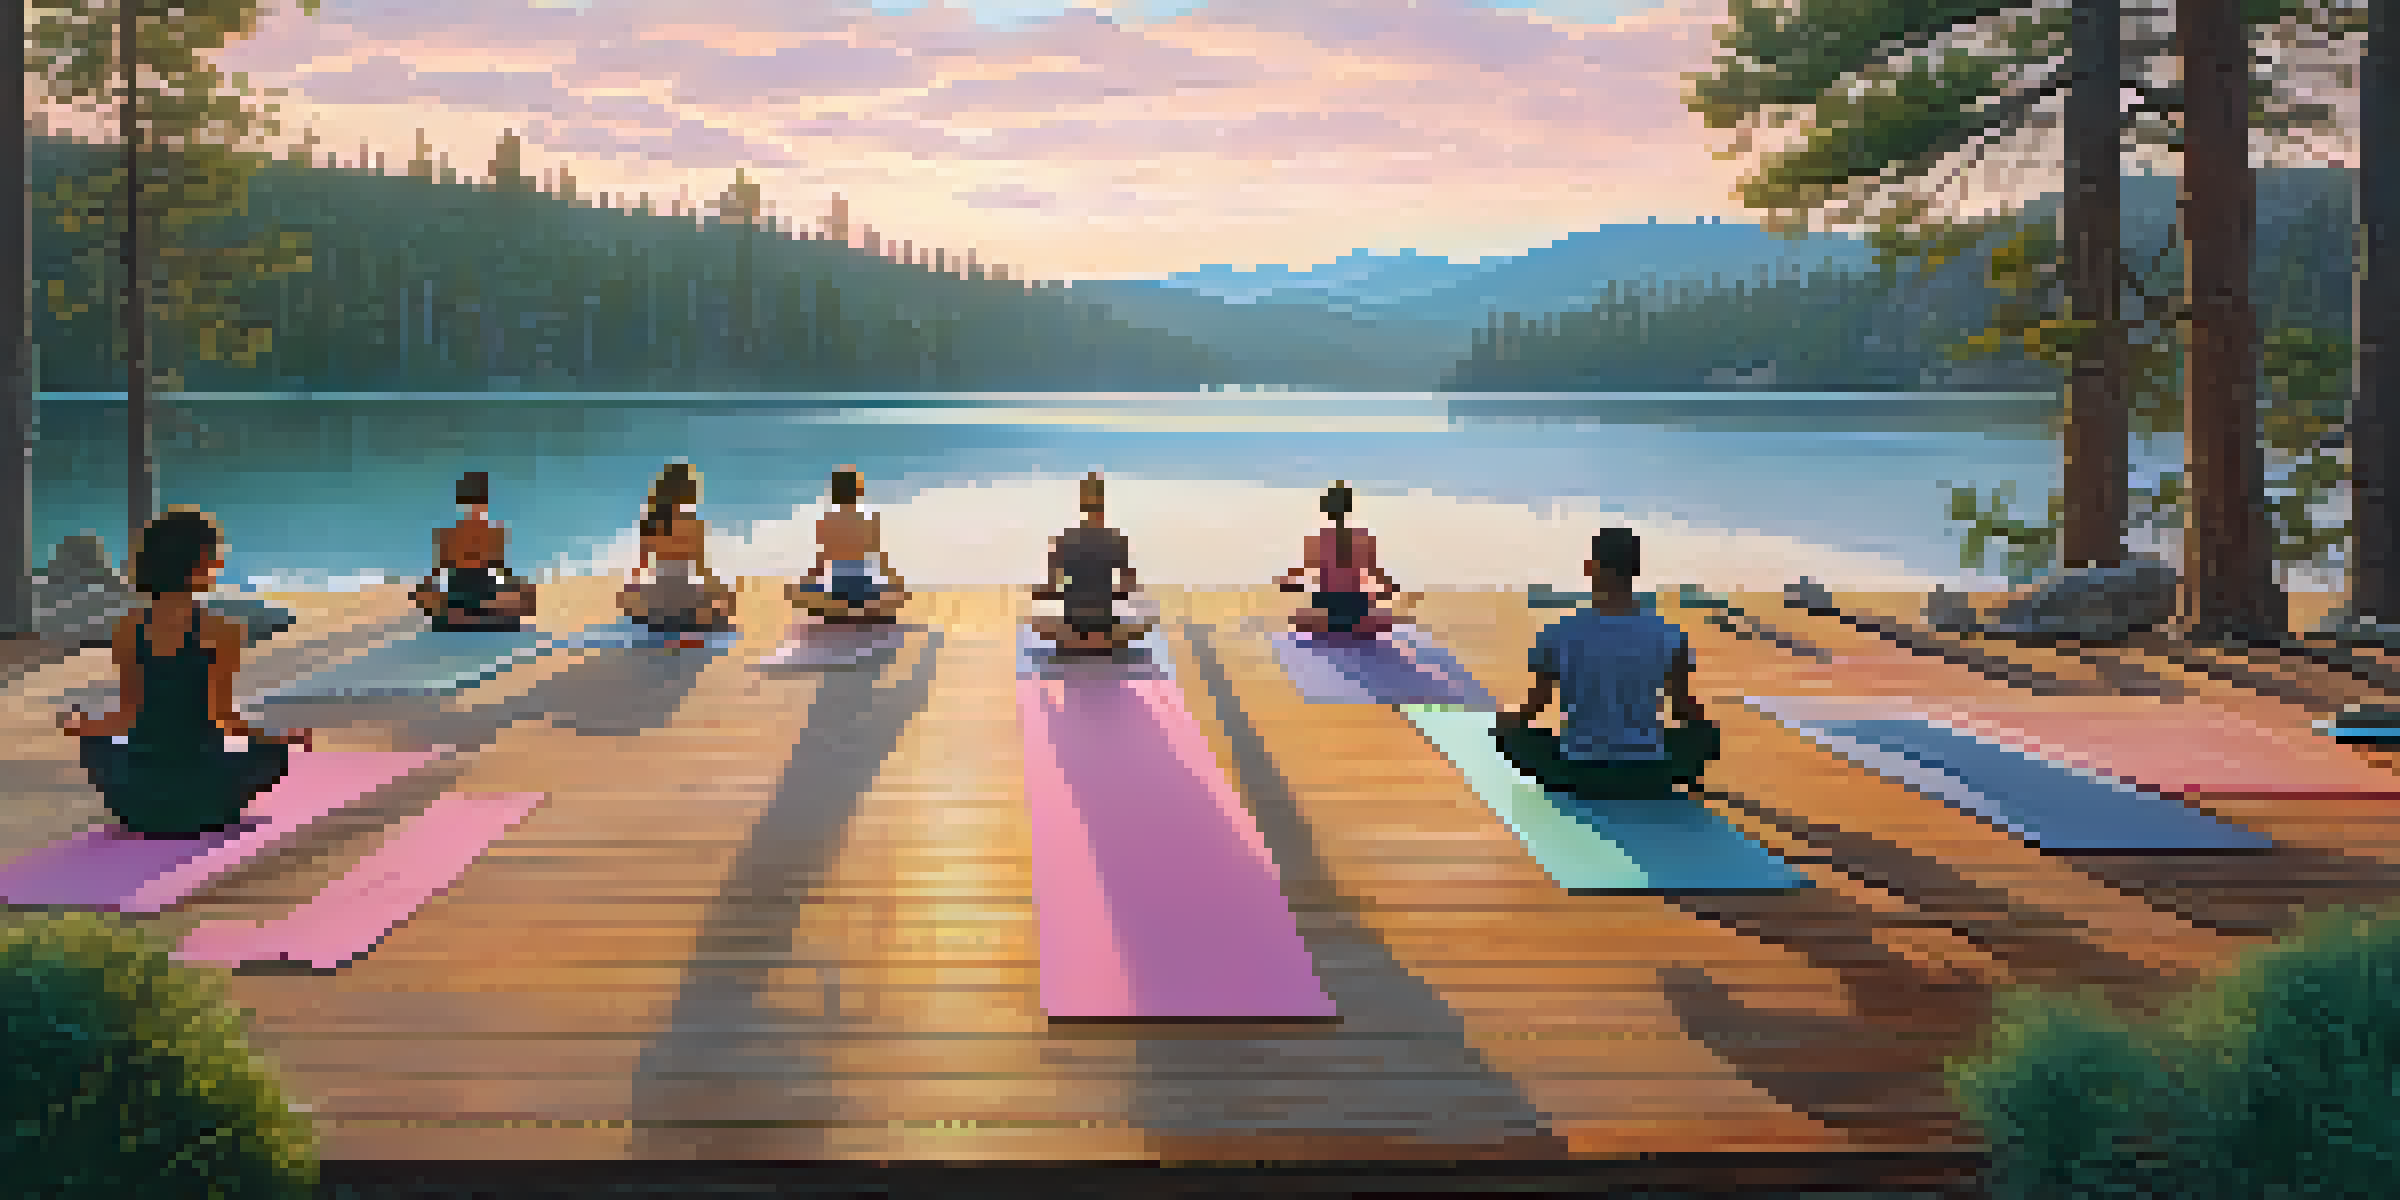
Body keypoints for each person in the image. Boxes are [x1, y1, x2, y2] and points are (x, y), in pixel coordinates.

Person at [57, 508, 314, 837]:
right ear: (196, 568)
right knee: (273, 753)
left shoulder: (128, 629)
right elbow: (222, 716)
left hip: (138, 801)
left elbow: (127, 715)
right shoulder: (223, 630)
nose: (219, 566)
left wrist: (81, 727)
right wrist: (279, 739)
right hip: (206, 799)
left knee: (95, 743)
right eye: (215, 558)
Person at [1494, 528, 1719, 804]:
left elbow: (1536, 706)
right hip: (1647, 771)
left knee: (1512, 734)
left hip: (1577, 771)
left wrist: (1504, 724)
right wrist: (1705, 731)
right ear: (1635, 570)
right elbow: (1682, 705)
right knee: (1706, 734)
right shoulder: (1669, 634)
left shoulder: (1557, 632)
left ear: (1591, 567)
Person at [1030, 472, 1153, 655]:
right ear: (1103, 502)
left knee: (1040, 623)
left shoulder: (1063, 541)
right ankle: (1101, 640)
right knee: (1143, 624)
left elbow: (1050, 588)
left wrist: (1044, 592)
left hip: (1073, 624)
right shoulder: (1117, 540)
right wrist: (1111, 593)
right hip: (1103, 624)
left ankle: (1079, 641)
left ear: (1081, 504)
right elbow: (1128, 587)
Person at [618, 461, 737, 634]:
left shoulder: (650, 523)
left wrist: (630, 596)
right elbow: (702, 568)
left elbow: (641, 566)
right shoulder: (692, 524)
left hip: (657, 603)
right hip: (684, 602)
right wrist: (723, 596)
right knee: (718, 616)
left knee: (649, 611)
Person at [412, 471, 536, 631]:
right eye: (474, 503)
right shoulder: (455, 535)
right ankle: (468, 617)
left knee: (521, 597)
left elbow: (502, 572)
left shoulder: (489, 534)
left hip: (476, 596)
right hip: (465, 596)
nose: (475, 510)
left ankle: (463, 617)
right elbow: (437, 574)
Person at [1276, 480, 1402, 638]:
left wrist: (1287, 582)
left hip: (1329, 602)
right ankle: (1353, 624)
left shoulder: (1321, 539)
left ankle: (1332, 624)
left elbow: (1304, 569)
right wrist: (1388, 587)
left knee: (1301, 619)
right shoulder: (1361, 537)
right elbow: (1374, 571)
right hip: (1356, 602)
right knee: (1378, 619)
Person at [788, 465, 908, 625]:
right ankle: (866, 610)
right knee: (889, 592)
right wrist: (894, 583)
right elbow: (879, 556)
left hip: (838, 588)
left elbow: (821, 560)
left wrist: (807, 585)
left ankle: (839, 610)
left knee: (803, 591)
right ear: (858, 492)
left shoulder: (826, 521)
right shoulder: (869, 520)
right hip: (863, 587)